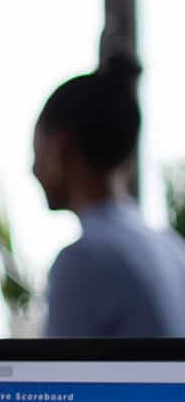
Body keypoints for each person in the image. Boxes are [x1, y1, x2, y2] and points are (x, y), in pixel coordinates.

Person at [32, 45, 185, 337]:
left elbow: (60, 382)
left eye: (36, 150)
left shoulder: (82, 262)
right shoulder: (173, 248)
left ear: (61, 148)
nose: (32, 170)